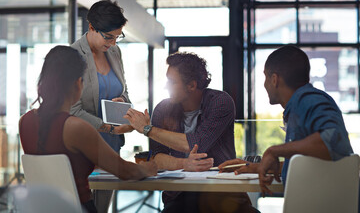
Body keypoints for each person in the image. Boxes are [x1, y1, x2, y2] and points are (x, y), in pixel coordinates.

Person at [19, 46, 157, 213]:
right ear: (78, 83)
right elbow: (125, 171)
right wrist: (149, 168)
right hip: (79, 208)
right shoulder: (76, 128)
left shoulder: (24, 121)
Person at [124, 52, 258, 212]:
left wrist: (147, 129)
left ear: (192, 85)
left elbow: (195, 143)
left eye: (172, 82)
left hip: (222, 192)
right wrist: (183, 164)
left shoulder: (220, 102)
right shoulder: (162, 109)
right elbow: (155, 158)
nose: (166, 86)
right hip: (179, 195)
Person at [219, 45, 354, 196]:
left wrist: (274, 151)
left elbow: (333, 142)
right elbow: (309, 163)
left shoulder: (309, 100)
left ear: (274, 79)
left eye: (265, 77)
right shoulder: (299, 105)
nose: (264, 84)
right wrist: (256, 167)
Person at [70, 0, 132, 211]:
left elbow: (124, 92)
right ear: (91, 28)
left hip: (112, 146)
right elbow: (73, 110)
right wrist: (109, 127)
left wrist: (123, 101)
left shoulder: (115, 53)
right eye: (108, 37)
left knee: (103, 208)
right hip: (83, 147)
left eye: (117, 37)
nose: (113, 43)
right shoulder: (73, 56)